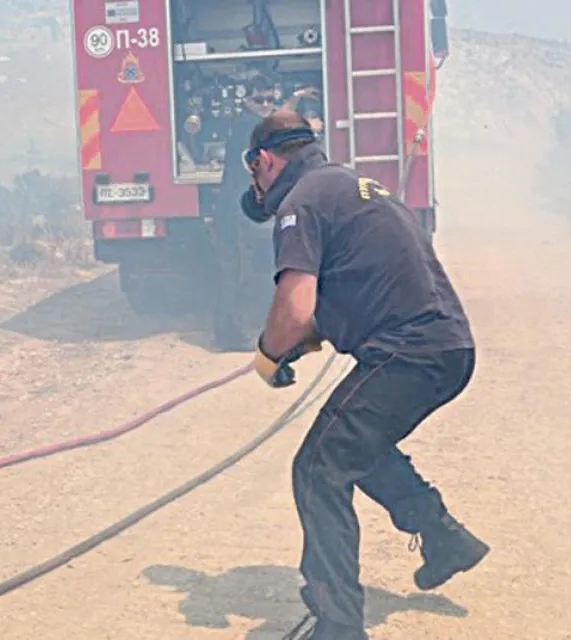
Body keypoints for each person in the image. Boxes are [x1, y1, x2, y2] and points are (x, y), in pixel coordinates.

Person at [241, 110, 490, 639]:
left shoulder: (298, 204)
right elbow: (363, 286)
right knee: (356, 445)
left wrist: (268, 354)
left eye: (255, 174)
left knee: (318, 468)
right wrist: (300, 343)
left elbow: (295, 308)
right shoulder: (354, 186)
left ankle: (338, 626)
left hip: (408, 352)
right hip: (447, 347)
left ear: (264, 161)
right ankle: (444, 539)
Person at [212, 81, 319, 350]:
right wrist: (309, 127)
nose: (265, 104)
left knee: (239, 268)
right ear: (245, 100)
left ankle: (235, 331)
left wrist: (293, 98)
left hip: (238, 208)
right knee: (236, 271)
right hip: (235, 210)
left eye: (270, 99)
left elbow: (274, 120)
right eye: (259, 99)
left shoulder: (251, 122)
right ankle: (231, 336)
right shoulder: (246, 125)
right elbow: (277, 127)